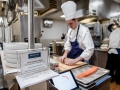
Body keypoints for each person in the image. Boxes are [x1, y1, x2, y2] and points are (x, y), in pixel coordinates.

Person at [59, 1, 94, 65]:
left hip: (81, 61)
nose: (70, 26)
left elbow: (90, 49)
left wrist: (75, 60)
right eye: (68, 24)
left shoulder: (84, 30)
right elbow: (68, 44)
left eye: (70, 23)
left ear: (76, 19)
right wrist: (65, 54)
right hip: (71, 59)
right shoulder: (70, 30)